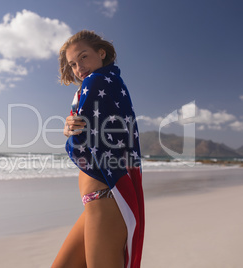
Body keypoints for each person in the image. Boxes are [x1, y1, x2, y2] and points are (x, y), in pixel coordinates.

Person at [52, 30, 145, 268]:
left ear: (101, 53)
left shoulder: (96, 81)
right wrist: (72, 127)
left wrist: (70, 138)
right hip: (99, 202)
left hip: (104, 200)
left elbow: (82, 145)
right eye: (72, 64)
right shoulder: (111, 83)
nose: (78, 68)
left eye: (83, 57)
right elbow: (99, 133)